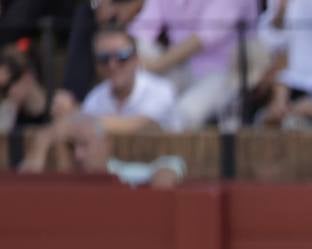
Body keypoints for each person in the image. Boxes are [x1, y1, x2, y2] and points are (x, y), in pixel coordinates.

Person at [127, 0, 264, 129]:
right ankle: (131, 114)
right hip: (177, 67)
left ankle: (138, 124)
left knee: (183, 113)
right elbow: (141, 31)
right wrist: (137, 58)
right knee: (137, 48)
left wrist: (157, 64)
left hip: (225, 74)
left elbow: (205, 36)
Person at [20, 112, 186, 187]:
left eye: (85, 145)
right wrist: (40, 148)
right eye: (72, 147)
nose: (78, 155)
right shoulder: (60, 175)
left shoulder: (123, 174)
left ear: (106, 144)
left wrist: (168, 170)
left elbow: (170, 165)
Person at [79, 27, 179, 133]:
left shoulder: (161, 90)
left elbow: (145, 126)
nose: (112, 65)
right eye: (104, 58)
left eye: (122, 56)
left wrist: (87, 122)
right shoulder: (95, 97)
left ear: (136, 58)